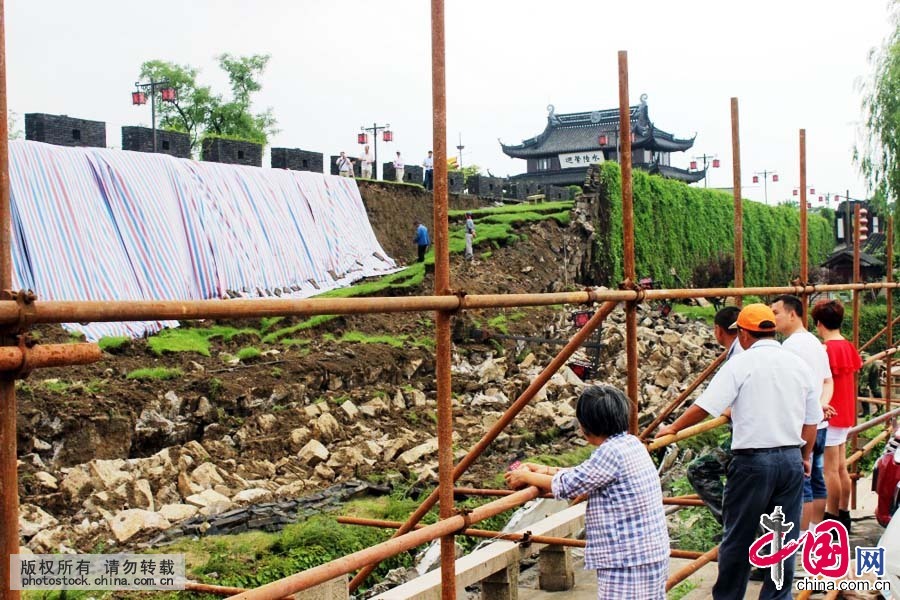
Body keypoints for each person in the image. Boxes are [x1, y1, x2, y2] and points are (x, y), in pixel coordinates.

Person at [657, 304, 822, 600]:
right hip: (790, 460)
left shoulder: (741, 364)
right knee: (781, 538)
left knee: (738, 537)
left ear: (744, 334)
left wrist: (673, 427)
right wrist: (805, 457)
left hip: (753, 463)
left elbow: (705, 406)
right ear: (772, 330)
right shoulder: (798, 365)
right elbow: (811, 421)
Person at [506, 385, 669, 599]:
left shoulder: (610, 452)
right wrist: (544, 470)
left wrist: (526, 476)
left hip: (627, 558)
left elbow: (570, 485)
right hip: (649, 550)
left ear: (585, 426)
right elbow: (588, 473)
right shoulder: (630, 443)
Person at [771, 294, 833, 535]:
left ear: (793, 314)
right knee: (816, 479)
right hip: (818, 425)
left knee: (803, 483)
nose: (773, 318)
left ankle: (802, 538)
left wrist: (813, 411)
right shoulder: (814, 342)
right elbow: (828, 381)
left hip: (802, 426)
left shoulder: (790, 347)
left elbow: (788, 389)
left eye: (776, 312)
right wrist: (820, 407)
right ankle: (815, 535)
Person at [685, 306, 742, 525]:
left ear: (718, 330)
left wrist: (672, 428)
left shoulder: (739, 356)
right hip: (772, 439)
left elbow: (705, 406)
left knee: (699, 470)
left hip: (747, 440)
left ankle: (733, 526)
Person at [811, 298, 862, 533]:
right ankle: (843, 513)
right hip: (846, 411)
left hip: (830, 412)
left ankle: (831, 520)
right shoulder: (847, 346)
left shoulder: (825, 350)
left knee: (829, 470)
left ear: (819, 323)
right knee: (841, 467)